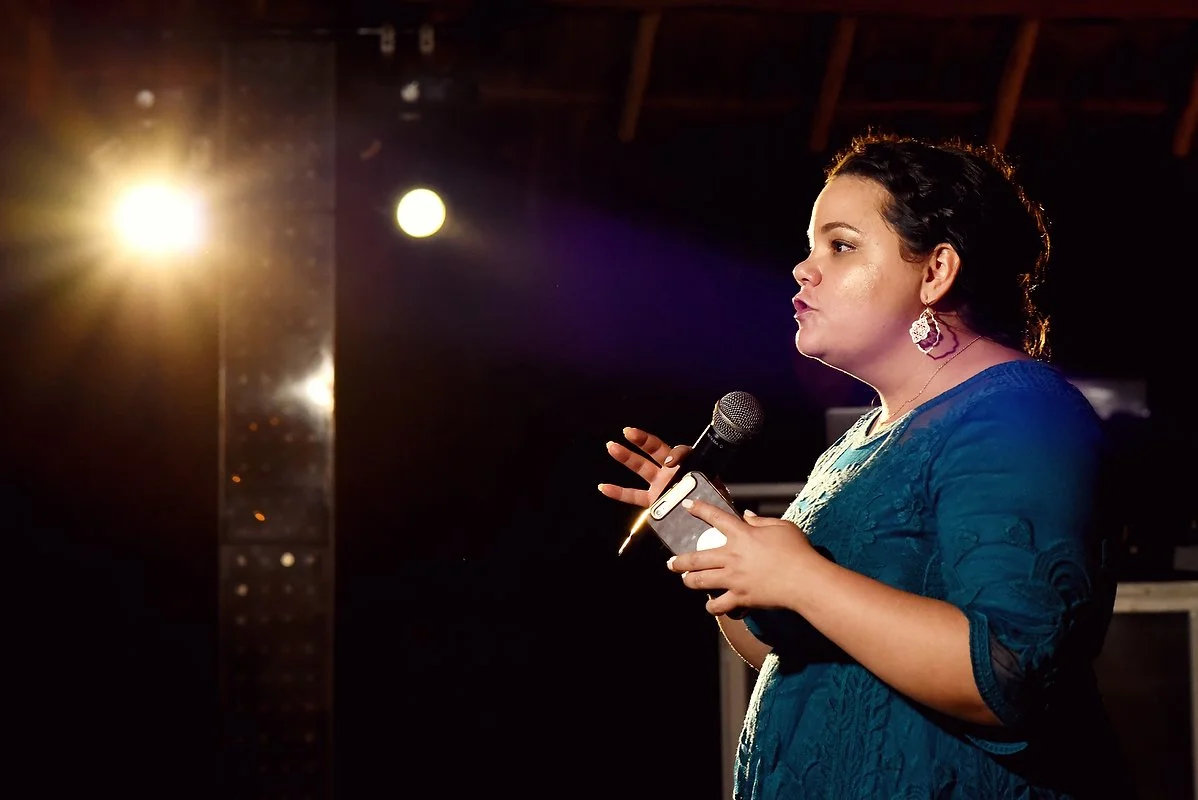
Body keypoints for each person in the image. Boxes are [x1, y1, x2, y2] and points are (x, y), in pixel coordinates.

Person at [598, 132, 1131, 798]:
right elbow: (785, 654)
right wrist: (708, 532)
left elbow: (1012, 671)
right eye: (810, 246)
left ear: (936, 271)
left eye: (841, 245)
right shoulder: (857, 443)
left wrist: (801, 577)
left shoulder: (1019, 414)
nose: (804, 269)